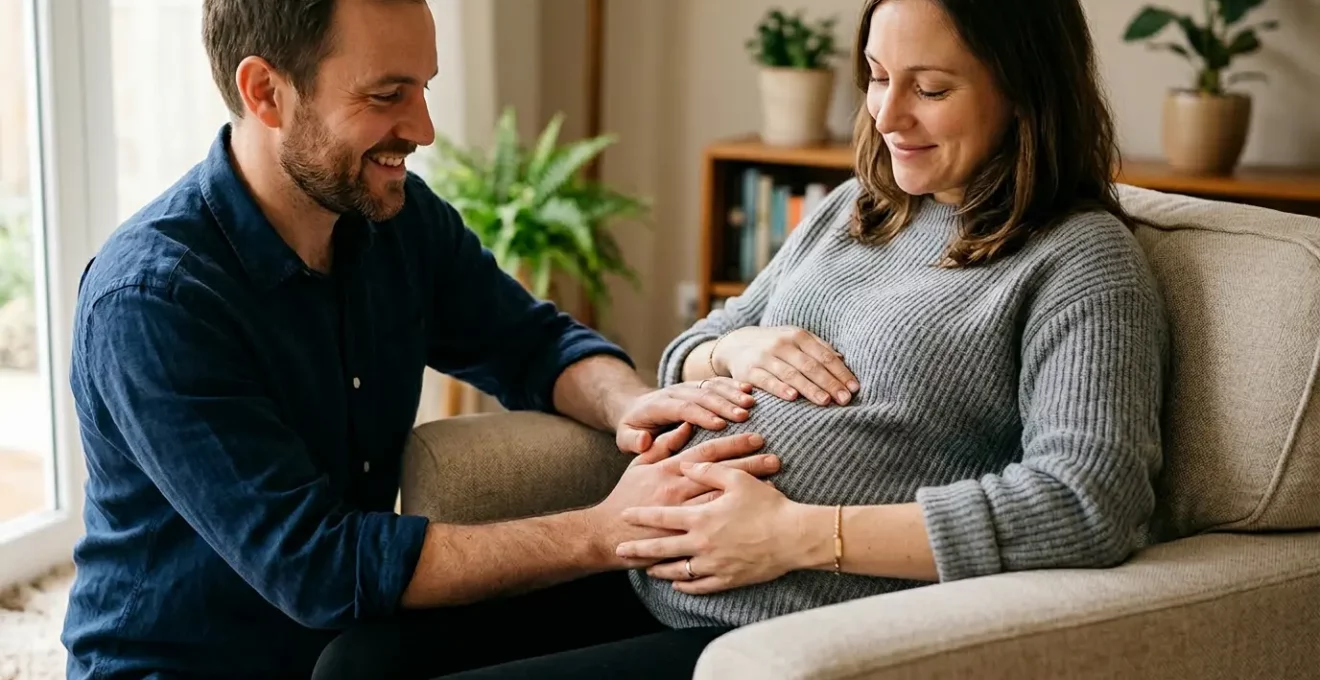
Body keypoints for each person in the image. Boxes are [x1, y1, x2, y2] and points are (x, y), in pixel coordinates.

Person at [428, 0, 1170, 676]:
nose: (888, 115)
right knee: (358, 660)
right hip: (652, 581)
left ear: (1025, 90)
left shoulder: (1079, 260)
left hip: (785, 629)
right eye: (878, 78)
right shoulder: (857, 208)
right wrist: (732, 349)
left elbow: (1088, 501)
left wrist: (799, 535)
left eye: (931, 89)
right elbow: (689, 349)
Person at [60, 1, 781, 678]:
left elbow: (530, 343)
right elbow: (318, 567)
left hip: (355, 649)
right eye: (387, 95)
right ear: (265, 93)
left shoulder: (391, 218)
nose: (424, 128)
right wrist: (602, 531)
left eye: (425, 88)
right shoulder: (155, 301)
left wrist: (629, 405)